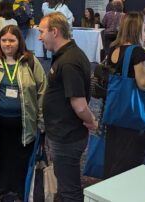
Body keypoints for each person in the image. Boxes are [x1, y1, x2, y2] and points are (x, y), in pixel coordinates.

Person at [0, 25, 46, 200]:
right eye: (4, 40)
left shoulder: (30, 61)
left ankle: (20, 190)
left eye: (12, 40)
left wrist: (41, 120)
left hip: (25, 123)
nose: (7, 44)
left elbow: (43, 91)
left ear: (19, 41)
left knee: (22, 157)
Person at [104, 12, 145, 178]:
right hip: (131, 115)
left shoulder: (114, 48)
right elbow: (143, 84)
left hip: (114, 112)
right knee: (129, 158)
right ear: (138, 29)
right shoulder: (137, 52)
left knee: (114, 155)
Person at [38, 12, 97, 201]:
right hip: (62, 133)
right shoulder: (66, 55)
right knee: (64, 186)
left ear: (54, 32)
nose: (39, 36)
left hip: (67, 137)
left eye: (41, 32)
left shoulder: (70, 61)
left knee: (69, 189)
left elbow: (79, 105)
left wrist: (91, 121)